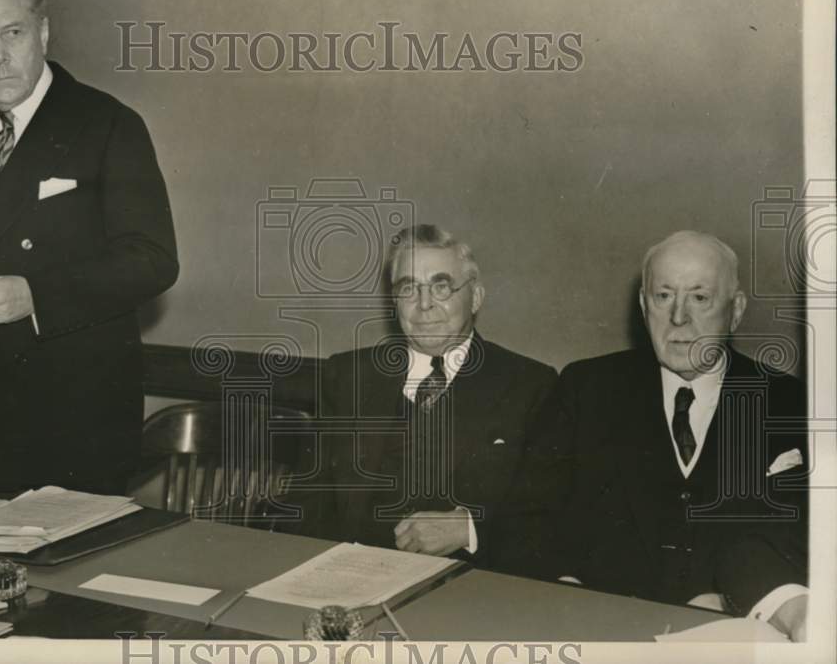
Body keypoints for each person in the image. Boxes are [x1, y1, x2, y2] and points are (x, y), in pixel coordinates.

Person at [0, 0, 179, 494]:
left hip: (76, 416)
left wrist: (38, 295)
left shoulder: (108, 124)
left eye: (13, 33)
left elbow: (153, 258)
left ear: (44, 34)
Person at [543, 231, 808, 639]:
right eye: (663, 296)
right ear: (643, 305)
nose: (679, 318)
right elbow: (542, 516)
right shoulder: (586, 387)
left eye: (700, 298)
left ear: (735, 310)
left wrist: (733, 597)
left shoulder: (791, 403)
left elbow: (803, 535)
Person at [297, 224, 557, 569]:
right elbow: (307, 502)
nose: (423, 304)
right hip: (349, 582)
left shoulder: (529, 386)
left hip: (467, 591)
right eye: (408, 288)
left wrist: (469, 528)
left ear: (476, 297)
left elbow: (549, 515)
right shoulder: (347, 376)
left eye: (441, 286)